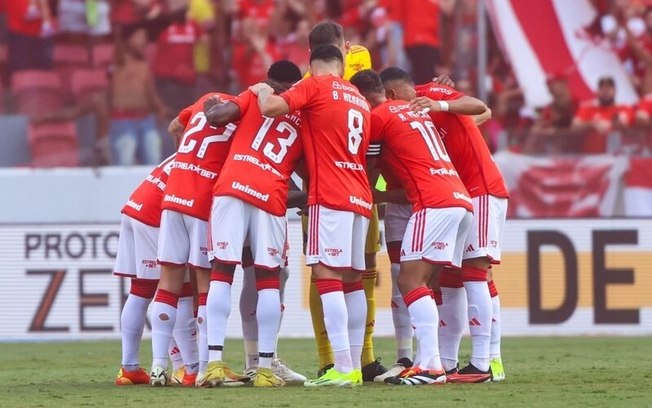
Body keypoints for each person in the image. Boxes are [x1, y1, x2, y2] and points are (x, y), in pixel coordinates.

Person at [250, 44, 372, 387]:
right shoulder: (359, 98)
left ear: (312, 66)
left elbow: (273, 107)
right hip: (360, 195)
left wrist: (261, 90)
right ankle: (355, 366)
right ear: (342, 64)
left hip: (329, 194)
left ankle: (344, 366)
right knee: (352, 280)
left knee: (326, 274)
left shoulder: (314, 84)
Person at [350, 69, 474, 385]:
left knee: (409, 280)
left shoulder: (378, 115)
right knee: (432, 283)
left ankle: (430, 366)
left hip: (432, 203)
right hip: (460, 199)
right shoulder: (414, 111)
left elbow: (368, 167)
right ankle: (431, 361)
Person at [197, 60, 306, 387]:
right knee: (268, 279)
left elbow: (217, 118)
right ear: (294, 85)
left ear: (271, 80)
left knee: (222, 272)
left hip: (231, 188)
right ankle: (265, 369)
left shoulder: (254, 93)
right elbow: (309, 177)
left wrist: (209, 104)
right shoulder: (304, 113)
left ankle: (213, 363)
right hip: (271, 193)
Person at [399, 67, 509, 382]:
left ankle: (485, 363)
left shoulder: (429, 94)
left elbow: (481, 107)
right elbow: (479, 116)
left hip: (481, 190)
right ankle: (449, 362)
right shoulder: (406, 113)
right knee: (450, 277)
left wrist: (441, 104)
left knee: (476, 271)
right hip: (458, 193)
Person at [303, 20, 386, 382]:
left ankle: (358, 358)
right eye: (343, 45)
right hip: (342, 184)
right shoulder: (313, 83)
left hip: (352, 180)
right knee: (330, 273)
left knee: (357, 269)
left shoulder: (358, 61)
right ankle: (333, 359)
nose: (349, 48)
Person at [149, 91, 248, 387]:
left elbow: (173, 127)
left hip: (173, 193)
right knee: (206, 284)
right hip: (202, 200)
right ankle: (206, 368)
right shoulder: (243, 117)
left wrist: (187, 156)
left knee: (168, 281)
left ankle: (158, 367)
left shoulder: (208, 98)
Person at [113, 153, 199, 386]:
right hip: (155, 214)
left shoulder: (193, 140)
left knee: (141, 288)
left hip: (135, 206)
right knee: (180, 289)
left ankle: (129, 368)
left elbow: (175, 128)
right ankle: (192, 369)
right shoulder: (219, 148)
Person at [109, 28, 169, 165]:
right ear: (128, 41)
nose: (144, 42)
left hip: (146, 119)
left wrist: (160, 108)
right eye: (139, 37)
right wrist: (120, 34)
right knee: (124, 163)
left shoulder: (144, 67)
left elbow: (150, 93)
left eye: (145, 38)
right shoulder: (119, 63)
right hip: (123, 120)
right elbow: (119, 49)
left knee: (153, 162)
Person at [571, 76, 634, 154]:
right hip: (591, 154)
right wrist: (592, 124)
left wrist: (617, 125)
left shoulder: (624, 108)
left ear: (614, 91)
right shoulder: (588, 108)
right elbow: (574, 126)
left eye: (608, 88)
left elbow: (632, 130)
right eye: (602, 88)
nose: (605, 92)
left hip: (617, 154)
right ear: (598, 91)